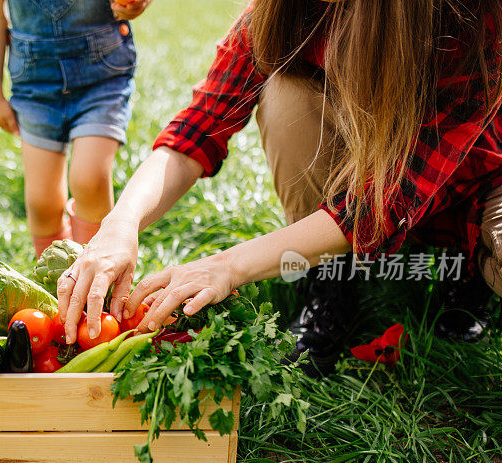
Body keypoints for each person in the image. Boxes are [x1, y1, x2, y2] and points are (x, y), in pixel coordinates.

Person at [57, 0, 502, 376]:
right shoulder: (287, 9)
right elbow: (199, 127)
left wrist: (229, 266)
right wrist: (121, 223)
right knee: (286, 88)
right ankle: (327, 277)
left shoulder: (462, 19)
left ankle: (468, 270)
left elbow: (383, 202)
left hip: (480, 176)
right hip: (375, 161)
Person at [0, 0, 152, 258]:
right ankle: (57, 284)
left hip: (101, 79)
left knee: (89, 179)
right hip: (36, 90)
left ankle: (98, 279)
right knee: (41, 204)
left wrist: (135, 4)